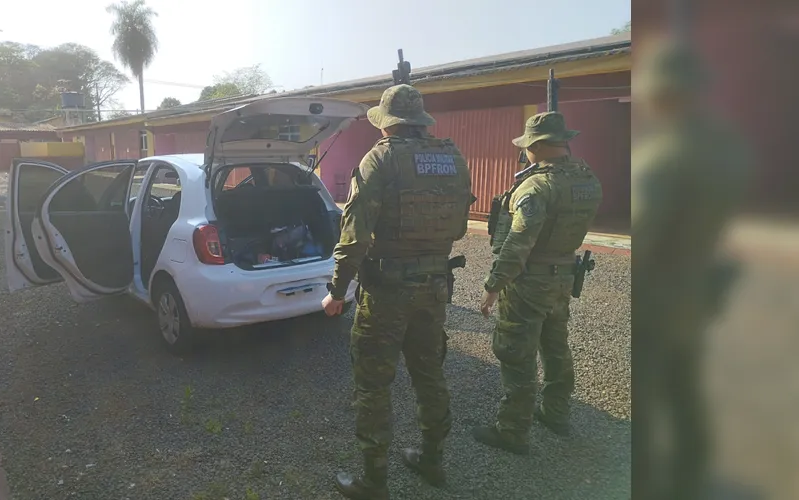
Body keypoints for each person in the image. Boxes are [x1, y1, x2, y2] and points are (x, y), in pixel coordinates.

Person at [322, 84, 473, 499]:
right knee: (429, 373)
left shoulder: (380, 159)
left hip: (387, 291)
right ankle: (432, 460)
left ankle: (374, 481)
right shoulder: (453, 159)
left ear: (386, 124)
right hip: (435, 286)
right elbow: (460, 227)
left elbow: (354, 236)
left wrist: (337, 290)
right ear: (420, 121)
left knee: (374, 384)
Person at [632, 39, 751, 500]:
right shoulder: (726, 147)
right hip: (695, 289)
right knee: (684, 389)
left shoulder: (663, 156)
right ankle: (692, 475)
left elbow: (643, 237)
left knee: (645, 397)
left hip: (656, 296)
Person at [474, 111, 602, 455]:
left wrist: (493, 285)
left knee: (516, 350)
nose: (526, 152)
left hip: (530, 279)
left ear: (540, 145)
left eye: (529, 146)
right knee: (556, 343)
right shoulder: (586, 178)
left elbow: (518, 242)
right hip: (563, 274)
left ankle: (513, 430)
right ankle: (556, 413)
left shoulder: (536, 187)